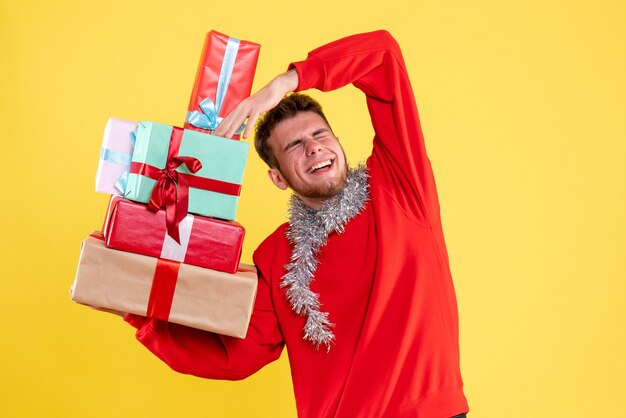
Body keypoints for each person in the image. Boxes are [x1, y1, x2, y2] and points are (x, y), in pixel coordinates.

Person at [125, 30, 469, 417]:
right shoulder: (275, 256)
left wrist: (284, 83)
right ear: (278, 178)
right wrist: (132, 299)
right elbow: (235, 353)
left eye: (319, 134)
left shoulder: (401, 186)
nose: (313, 147)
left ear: (338, 142)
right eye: (294, 146)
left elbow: (383, 55)